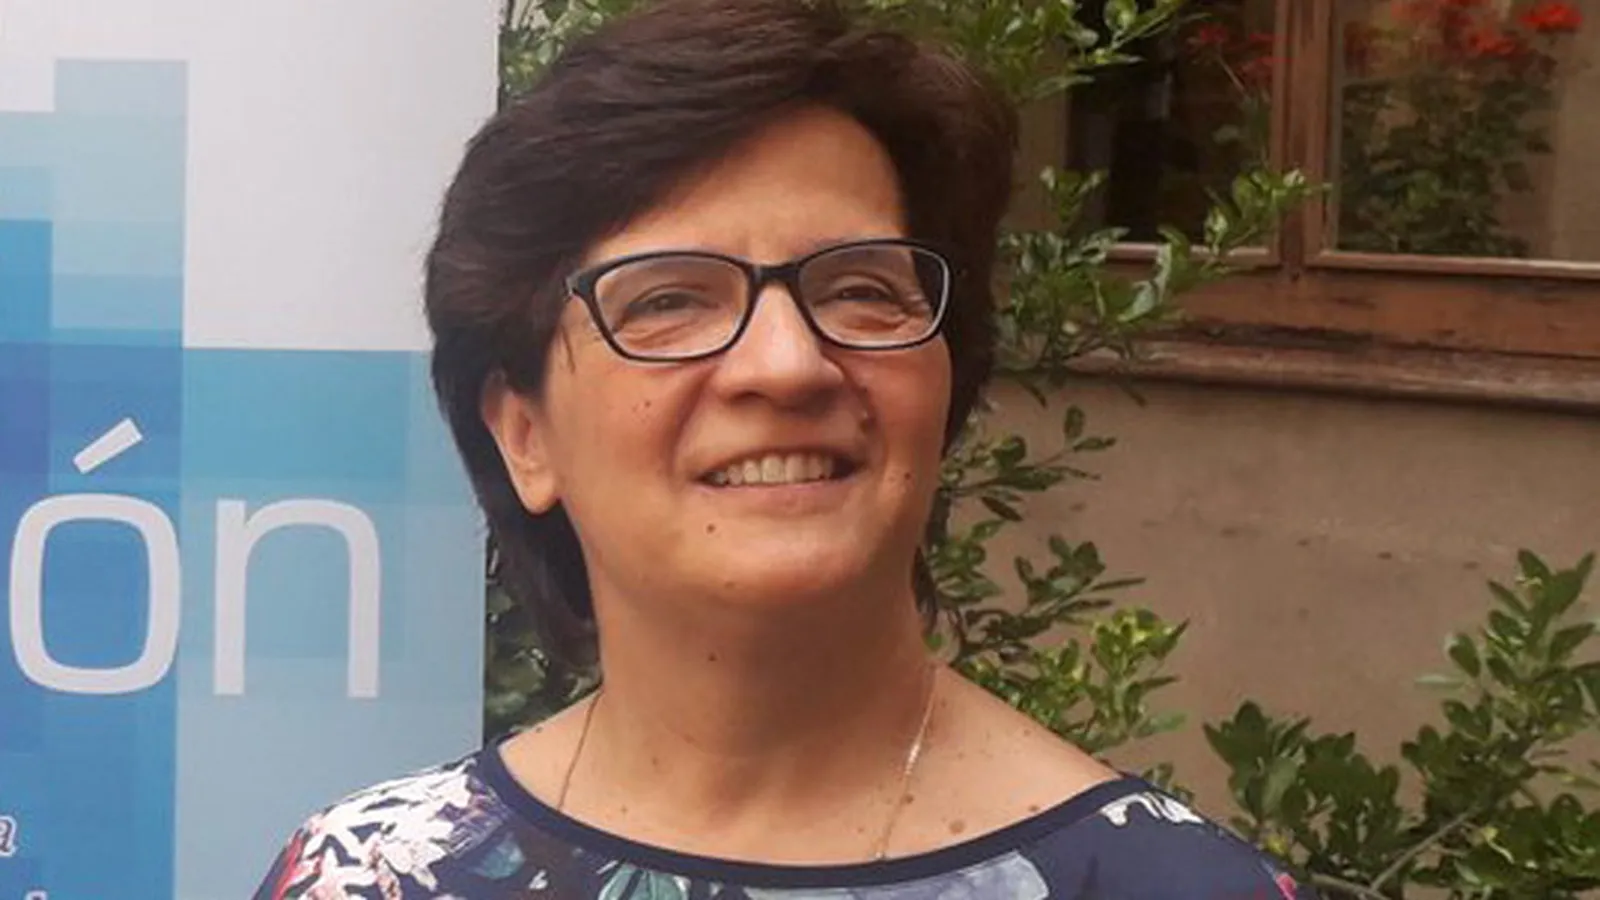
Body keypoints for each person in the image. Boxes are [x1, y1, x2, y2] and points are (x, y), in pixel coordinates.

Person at [254, 0, 1316, 897]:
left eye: (860, 289)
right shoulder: (369, 877)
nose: (788, 363)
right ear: (522, 433)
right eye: (668, 300)